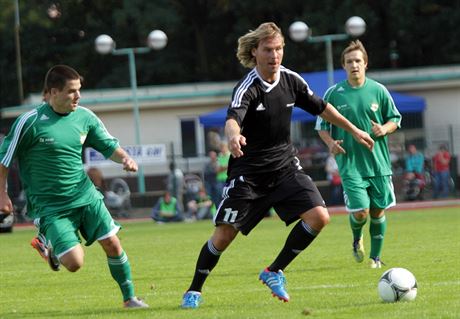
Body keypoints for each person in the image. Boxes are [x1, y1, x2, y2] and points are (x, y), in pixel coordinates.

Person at [180, 22, 374, 308]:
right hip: (250, 174)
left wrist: (355, 130)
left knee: (319, 217)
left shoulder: (291, 80)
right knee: (223, 236)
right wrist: (233, 138)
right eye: (268, 50)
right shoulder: (249, 86)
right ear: (255, 52)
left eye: (279, 49)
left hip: (285, 168)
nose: (275, 55)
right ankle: (194, 290)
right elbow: (233, 118)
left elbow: (321, 107)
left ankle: (274, 270)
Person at [0, 65, 148, 308]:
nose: (78, 96)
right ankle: (47, 241)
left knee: (112, 243)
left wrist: (125, 158)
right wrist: (2, 194)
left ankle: (130, 298)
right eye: (71, 91)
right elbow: (4, 159)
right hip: (51, 206)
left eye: (79, 90)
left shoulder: (85, 117)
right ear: (52, 92)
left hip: (85, 196)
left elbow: (108, 145)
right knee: (75, 263)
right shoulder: (30, 122)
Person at [316, 40, 401, 269]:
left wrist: (384, 128)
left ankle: (375, 258)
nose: (354, 65)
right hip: (350, 164)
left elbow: (395, 119)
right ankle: (356, 238)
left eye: (357, 61)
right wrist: (331, 143)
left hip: (379, 164)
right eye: (349, 61)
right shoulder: (334, 93)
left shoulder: (379, 90)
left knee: (377, 211)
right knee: (361, 212)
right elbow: (321, 126)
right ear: (343, 66)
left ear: (365, 64)